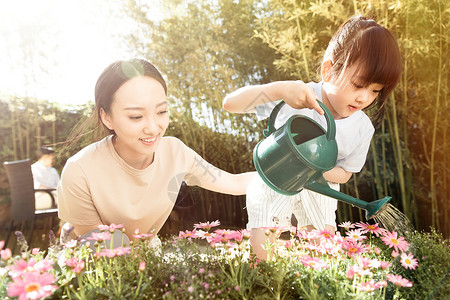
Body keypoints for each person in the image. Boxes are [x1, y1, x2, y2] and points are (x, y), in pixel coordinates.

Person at [223, 15, 402, 260]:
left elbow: (345, 173)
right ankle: (261, 277)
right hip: (277, 177)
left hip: (320, 188)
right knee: (264, 237)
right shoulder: (297, 96)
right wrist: (279, 90)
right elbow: (230, 104)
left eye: (375, 91)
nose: (364, 98)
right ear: (328, 70)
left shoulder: (362, 128)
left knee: (322, 250)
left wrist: (313, 168)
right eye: (358, 84)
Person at [57, 58, 255, 247]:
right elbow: (104, 248)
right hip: (91, 268)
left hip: (144, 259)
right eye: (136, 116)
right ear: (106, 117)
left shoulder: (175, 152)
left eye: (161, 111)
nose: (153, 128)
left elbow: (233, 182)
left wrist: (283, 180)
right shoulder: (80, 170)